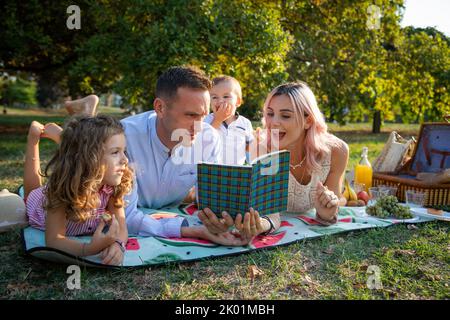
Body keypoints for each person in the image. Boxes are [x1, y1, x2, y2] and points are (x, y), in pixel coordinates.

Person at [199, 81, 349, 242]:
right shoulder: (263, 148)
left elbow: (334, 204)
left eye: (285, 115)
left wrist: (327, 211)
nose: (273, 123)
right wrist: (259, 226)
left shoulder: (337, 151)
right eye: (270, 114)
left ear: (308, 120)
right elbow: (271, 216)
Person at [121, 66, 248, 246]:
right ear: (160, 107)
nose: (199, 126)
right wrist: (194, 231)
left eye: (203, 116)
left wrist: (223, 217)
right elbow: (125, 217)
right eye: (191, 115)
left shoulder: (209, 139)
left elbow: (210, 198)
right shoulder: (125, 137)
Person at [24, 115, 132, 266]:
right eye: (115, 152)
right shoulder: (61, 191)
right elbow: (54, 240)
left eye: (124, 151)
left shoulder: (112, 185)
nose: (125, 160)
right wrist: (89, 249)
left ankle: (66, 138)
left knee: (77, 149)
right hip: (39, 206)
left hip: (83, 168)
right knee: (29, 195)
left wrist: (118, 245)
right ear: (91, 158)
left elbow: (122, 227)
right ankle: (33, 138)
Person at [204, 76, 254, 165]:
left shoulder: (245, 123)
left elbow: (250, 148)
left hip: (236, 172)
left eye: (226, 96)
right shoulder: (206, 120)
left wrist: (257, 141)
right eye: (214, 97)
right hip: (211, 171)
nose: (220, 101)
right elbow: (203, 140)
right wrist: (218, 120)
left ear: (238, 101)